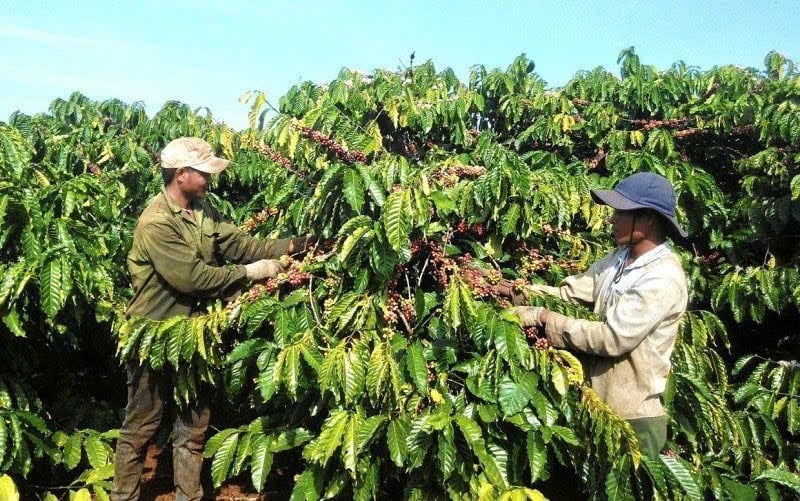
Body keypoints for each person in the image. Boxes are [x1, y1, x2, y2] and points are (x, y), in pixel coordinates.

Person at [112, 137, 315, 500]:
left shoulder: (203, 212)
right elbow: (193, 279)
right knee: (142, 424)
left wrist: (298, 245)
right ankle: (123, 496)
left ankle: (188, 497)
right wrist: (250, 273)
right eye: (204, 174)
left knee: (193, 424)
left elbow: (244, 247)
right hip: (155, 335)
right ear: (181, 174)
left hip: (195, 334)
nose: (210, 180)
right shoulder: (157, 223)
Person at [509, 172, 689, 459]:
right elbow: (569, 294)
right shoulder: (619, 258)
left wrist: (545, 319)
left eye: (621, 212)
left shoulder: (662, 277)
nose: (612, 219)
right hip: (594, 406)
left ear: (649, 219)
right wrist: (512, 291)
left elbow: (612, 338)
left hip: (632, 420)